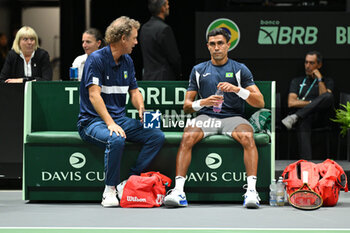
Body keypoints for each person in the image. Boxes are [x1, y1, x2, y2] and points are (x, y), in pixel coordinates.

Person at [163, 28, 265, 209]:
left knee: (248, 137)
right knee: (187, 136)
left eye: (220, 43)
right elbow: (187, 106)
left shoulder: (239, 69)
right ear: (208, 46)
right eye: (212, 44)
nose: (216, 47)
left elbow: (259, 102)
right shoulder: (198, 70)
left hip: (233, 117)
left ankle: (251, 191)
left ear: (228, 45)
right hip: (206, 117)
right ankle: (179, 191)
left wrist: (237, 89)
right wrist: (204, 102)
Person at [77, 16, 165, 207]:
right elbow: (94, 96)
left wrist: (140, 107)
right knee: (116, 138)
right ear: (123, 38)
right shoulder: (96, 60)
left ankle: (130, 181)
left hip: (119, 119)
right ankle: (109, 190)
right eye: (133, 37)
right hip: (92, 122)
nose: (136, 42)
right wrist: (110, 123)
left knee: (156, 135)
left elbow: (134, 91)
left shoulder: (128, 61)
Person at [282, 51, 334, 159]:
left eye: (311, 63)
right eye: (306, 63)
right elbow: (291, 102)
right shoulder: (297, 81)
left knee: (328, 96)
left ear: (319, 65)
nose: (308, 66)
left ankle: (295, 117)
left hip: (320, 118)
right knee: (303, 120)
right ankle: (307, 164)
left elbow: (325, 99)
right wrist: (313, 103)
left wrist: (320, 79)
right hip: (305, 117)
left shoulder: (327, 81)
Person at [139, 0, 181, 80]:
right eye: (167, 4)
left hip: (147, 79)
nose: (168, 6)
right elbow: (174, 58)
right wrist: (179, 75)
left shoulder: (144, 28)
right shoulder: (164, 29)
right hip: (164, 81)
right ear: (162, 8)